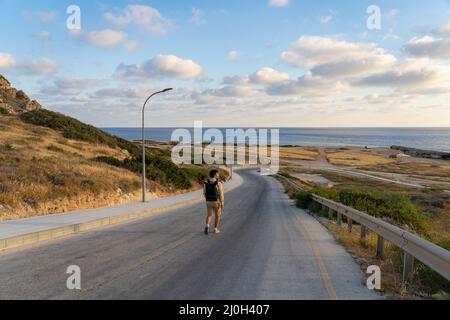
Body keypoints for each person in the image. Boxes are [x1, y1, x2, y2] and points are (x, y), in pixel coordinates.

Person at [203, 169, 224, 235]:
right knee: (217, 215)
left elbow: (204, 193)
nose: (218, 175)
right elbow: (221, 194)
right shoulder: (218, 183)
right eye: (217, 174)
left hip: (208, 201)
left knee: (209, 215)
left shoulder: (206, 182)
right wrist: (222, 202)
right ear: (214, 175)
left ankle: (207, 226)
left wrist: (208, 198)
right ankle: (215, 229)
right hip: (216, 201)